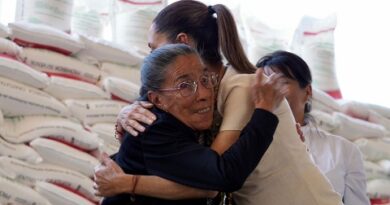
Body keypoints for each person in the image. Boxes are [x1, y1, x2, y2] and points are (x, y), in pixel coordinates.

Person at [95, 1, 343, 204]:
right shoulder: (198, 96)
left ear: (182, 43)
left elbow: (215, 177)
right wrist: (127, 112)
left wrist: (127, 183)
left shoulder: (241, 88)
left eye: (155, 48)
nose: (152, 57)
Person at [100, 44, 284, 205]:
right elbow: (225, 175)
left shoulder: (175, 122)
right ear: (157, 99)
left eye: (205, 80)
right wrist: (265, 111)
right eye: (185, 86)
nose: (204, 94)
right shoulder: (154, 128)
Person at [256, 50, 370, 205]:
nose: (271, 91)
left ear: (307, 91)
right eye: (265, 84)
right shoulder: (250, 146)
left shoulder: (343, 151)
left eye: (281, 82)